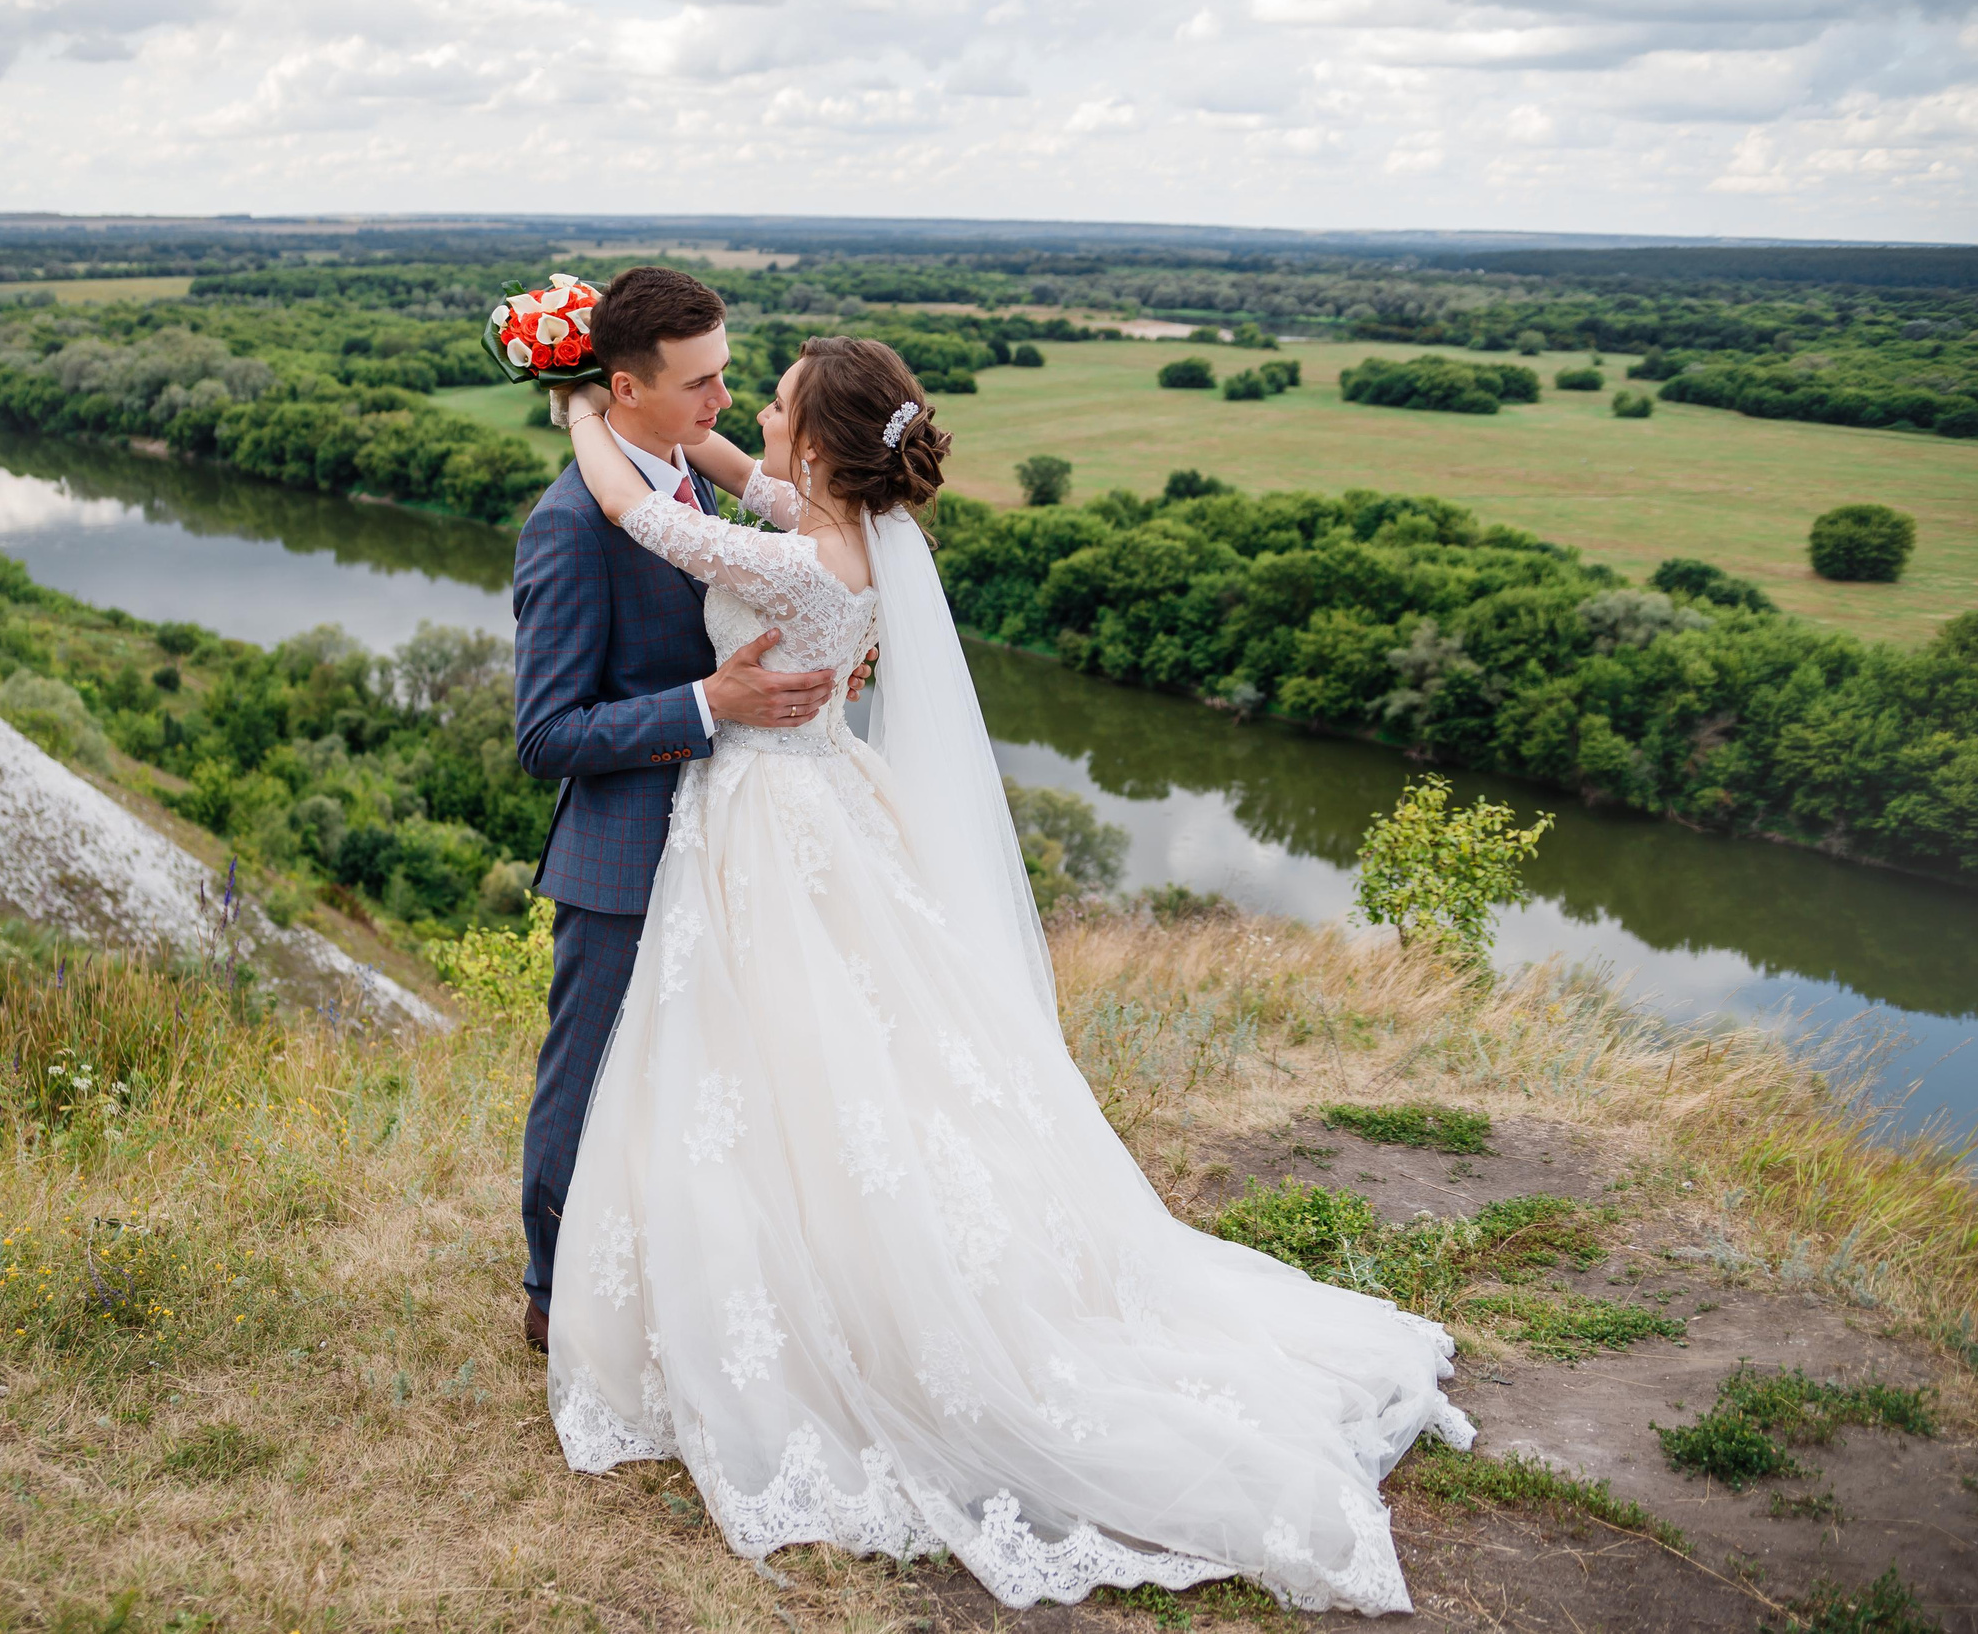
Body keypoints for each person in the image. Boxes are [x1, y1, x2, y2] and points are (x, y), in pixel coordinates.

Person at [540, 332, 1476, 1613]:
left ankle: (820, 1296)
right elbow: (703, 456)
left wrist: (580, 403)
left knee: (785, 1058)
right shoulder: (832, 528)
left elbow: (624, 504)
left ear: (812, 444)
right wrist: (656, 416)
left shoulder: (786, 551)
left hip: (770, 823)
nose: (744, 408)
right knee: (841, 1062)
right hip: (814, 811)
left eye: (772, 400)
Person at [510, 266, 870, 1352]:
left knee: (714, 1078)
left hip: (739, 840)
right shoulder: (571, 525)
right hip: (627, 852)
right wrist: (708, 703)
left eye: (728, 377)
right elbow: (546, 736)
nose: (723, 403)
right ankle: (551, 1290)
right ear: (621, 387)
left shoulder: (695, 483)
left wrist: (824, 664)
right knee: (591, 1076)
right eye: (699, 384)